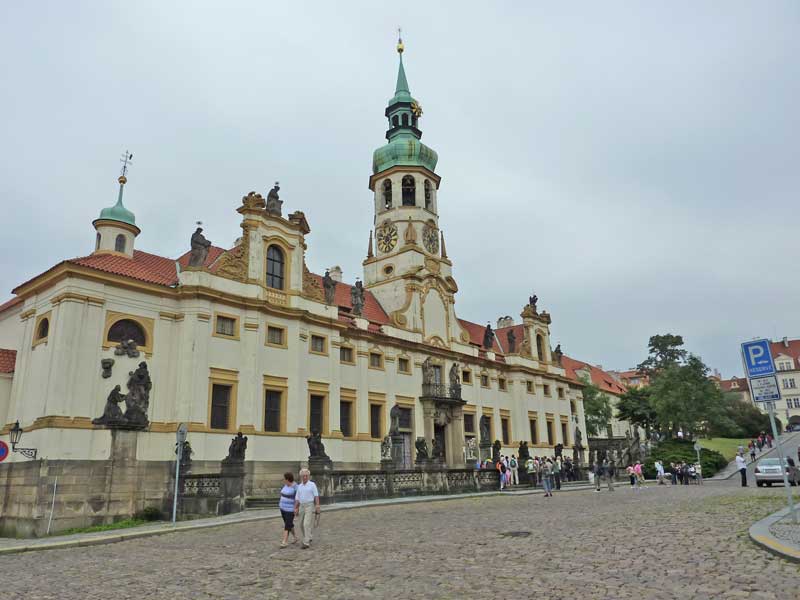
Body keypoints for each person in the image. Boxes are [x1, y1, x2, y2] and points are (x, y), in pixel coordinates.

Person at [294, 468, 321, 548]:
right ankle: (309, 536)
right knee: (301, 524)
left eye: (306, 476)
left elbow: (316, 495)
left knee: (306, 523)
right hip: (302, 505)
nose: (305, 477)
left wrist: (317, 505)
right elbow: (297, 498)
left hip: (309, 505)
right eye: (303, 476)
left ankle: (306, 542)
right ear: (301, 477)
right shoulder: (299, 486)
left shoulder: (312, 485)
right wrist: (296, 508)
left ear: (308, 476)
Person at [278, 472, 298, 548]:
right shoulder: (285, 485)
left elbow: (297, 499)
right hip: (282, 508)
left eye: (284, 479)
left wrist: (296, 508)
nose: (283, 480)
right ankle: (295, 537)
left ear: (287, 479)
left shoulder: (295, 487)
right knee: (289, 524)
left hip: (290, 510)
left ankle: (284, 541)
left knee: (287, 525)